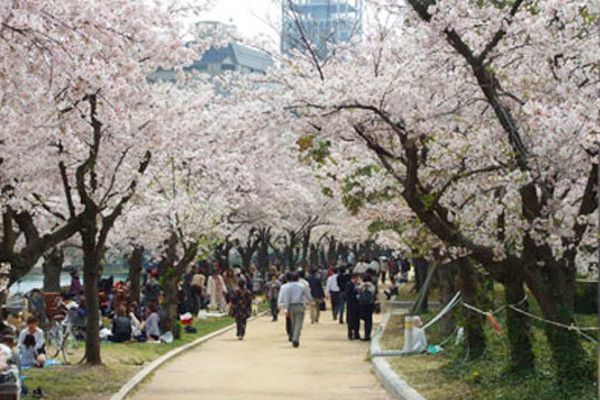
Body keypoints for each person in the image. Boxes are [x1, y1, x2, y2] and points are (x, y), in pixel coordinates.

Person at [278, 272, 312, 348]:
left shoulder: (284, 287)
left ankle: (293, 335)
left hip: (289, 306)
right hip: (299, 305)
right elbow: (307, 295)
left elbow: (281, 297)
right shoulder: (302, 286)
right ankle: (295, 339)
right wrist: (310, 301)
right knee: (298, 323)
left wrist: (281, 305)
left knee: (292, 322)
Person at [358, 274, 376, 341]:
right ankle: (367, 335)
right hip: (370, 304)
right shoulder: (372, 286)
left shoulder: (361, 285)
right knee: (369, 320)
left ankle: (366, 335)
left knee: (365, 319)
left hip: (363, 305)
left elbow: (358, 290)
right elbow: (374, 294)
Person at [345, 273, 361, 340]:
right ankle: (350, 333)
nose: (358, 280)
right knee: (351, 320)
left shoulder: (358, 284)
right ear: (354, 278)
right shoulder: (349, 284)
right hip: (351, 305)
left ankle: (356, 333)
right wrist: (355, 296)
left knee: (357, 320)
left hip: (357, 305)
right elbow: (348, 295)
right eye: (357, 278)